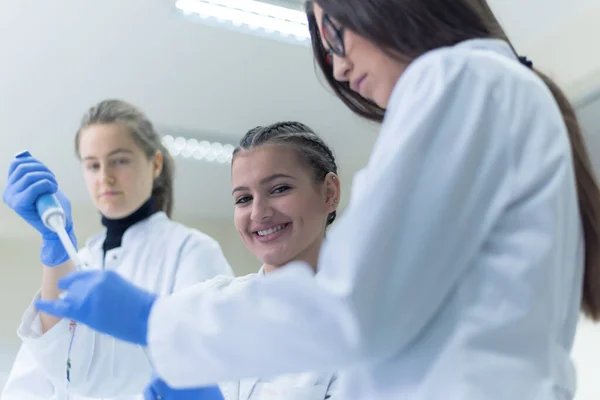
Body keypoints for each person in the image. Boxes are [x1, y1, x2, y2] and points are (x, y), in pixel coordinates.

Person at [32, 0, 600, 399]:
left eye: (336, 35)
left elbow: (354, 307)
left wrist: (153, 318)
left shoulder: (460, 79)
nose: (337, 65)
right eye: (242, 197)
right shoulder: (496, 87)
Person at [1, 99, 233, 399]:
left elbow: (205, 367)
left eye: (119, 160)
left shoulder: (191, 251)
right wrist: (57, 250)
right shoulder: (75, 261)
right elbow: (32, 382)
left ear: (156, 165)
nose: (105, 177)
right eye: (92, 165)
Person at [143, 121, 340, 399]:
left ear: (329, 193)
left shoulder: (364, 326)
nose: (258, 213)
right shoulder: (211, 303)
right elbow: (107, 363)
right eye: (244, 198)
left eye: (280, 189)